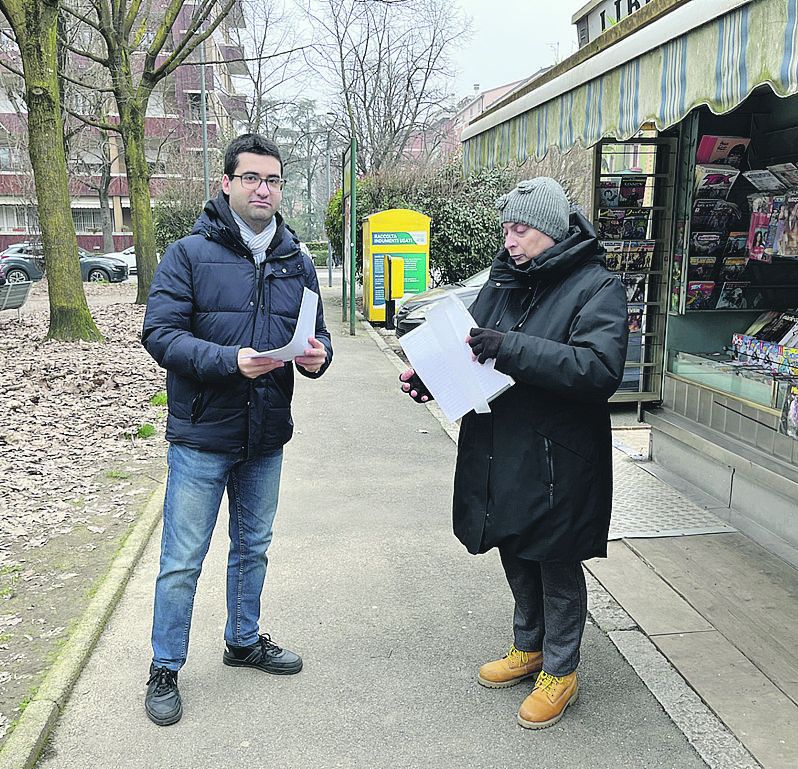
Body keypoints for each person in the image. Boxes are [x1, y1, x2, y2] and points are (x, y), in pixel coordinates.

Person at [400, 177, 628, 729]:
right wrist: (432, 377)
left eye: (520, 228)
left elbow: (599, 370)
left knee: (555, 557)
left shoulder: (597, 287)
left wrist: (511, 349)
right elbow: (473, 350)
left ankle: (561, 668)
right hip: (501, 445)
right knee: (513, 543)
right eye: (505, 228)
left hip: (559, 455)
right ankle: (528, 646)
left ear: (550, 230)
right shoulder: (505, 282)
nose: (509, 240)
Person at [141, 133, 332, 726]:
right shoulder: (188, 255)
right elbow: (161, 335)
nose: (263, 189)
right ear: (225, 183)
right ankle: (164, 667)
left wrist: (318, 358)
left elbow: (316, 336)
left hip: (265, 435)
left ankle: (242, 639)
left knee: (253, 548)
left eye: (273, 180)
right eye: (251, 178)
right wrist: (230, 362)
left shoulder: (296, 261)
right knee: (182, 558)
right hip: (202, 435)